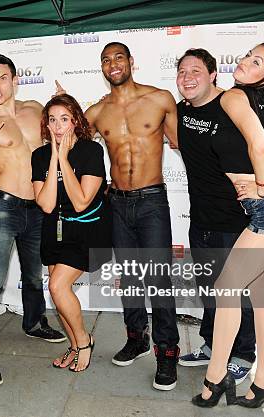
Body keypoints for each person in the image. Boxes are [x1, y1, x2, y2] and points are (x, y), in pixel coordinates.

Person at [191, 42, 264, 411]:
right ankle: (263, 385)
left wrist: (259, 188)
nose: (243, 61)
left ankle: (215, 381)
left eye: (255, 62)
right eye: (246, 55)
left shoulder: (235, 97)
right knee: (260, 294)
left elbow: (260, 148)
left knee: (227, 291)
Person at [84, 42, 180, 390]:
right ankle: (137, 337)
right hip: (118, 203)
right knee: (130, 277)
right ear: (102, 68)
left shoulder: (160, 98)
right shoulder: (96, 112)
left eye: (118, 57)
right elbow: (69, 139)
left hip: (153, 200)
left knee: (157, 279)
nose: (113, 64)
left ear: (131, 62)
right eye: (106, 60)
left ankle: (167, 352)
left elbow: (186, 143)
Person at [0, 53, 66, 388]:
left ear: (15, 79)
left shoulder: (36, 109)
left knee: (35, 274)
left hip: (38, 206)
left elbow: (62, 140)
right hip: (4, 206)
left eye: (2, 78)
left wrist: (67, 110)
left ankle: (34, 322)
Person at [32, 94, 112, 372]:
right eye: (52, 120)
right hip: (53, 229)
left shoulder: (91, 151)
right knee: (58, 294)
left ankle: (83, 341)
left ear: (76, 121)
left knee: (57, 286)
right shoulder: (40, 156)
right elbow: (45, 203)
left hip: (86, 230)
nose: (57, 126)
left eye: (64, 119)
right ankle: (75, 344)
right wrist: (54, 158)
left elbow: (80, 202)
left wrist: (64, 159)